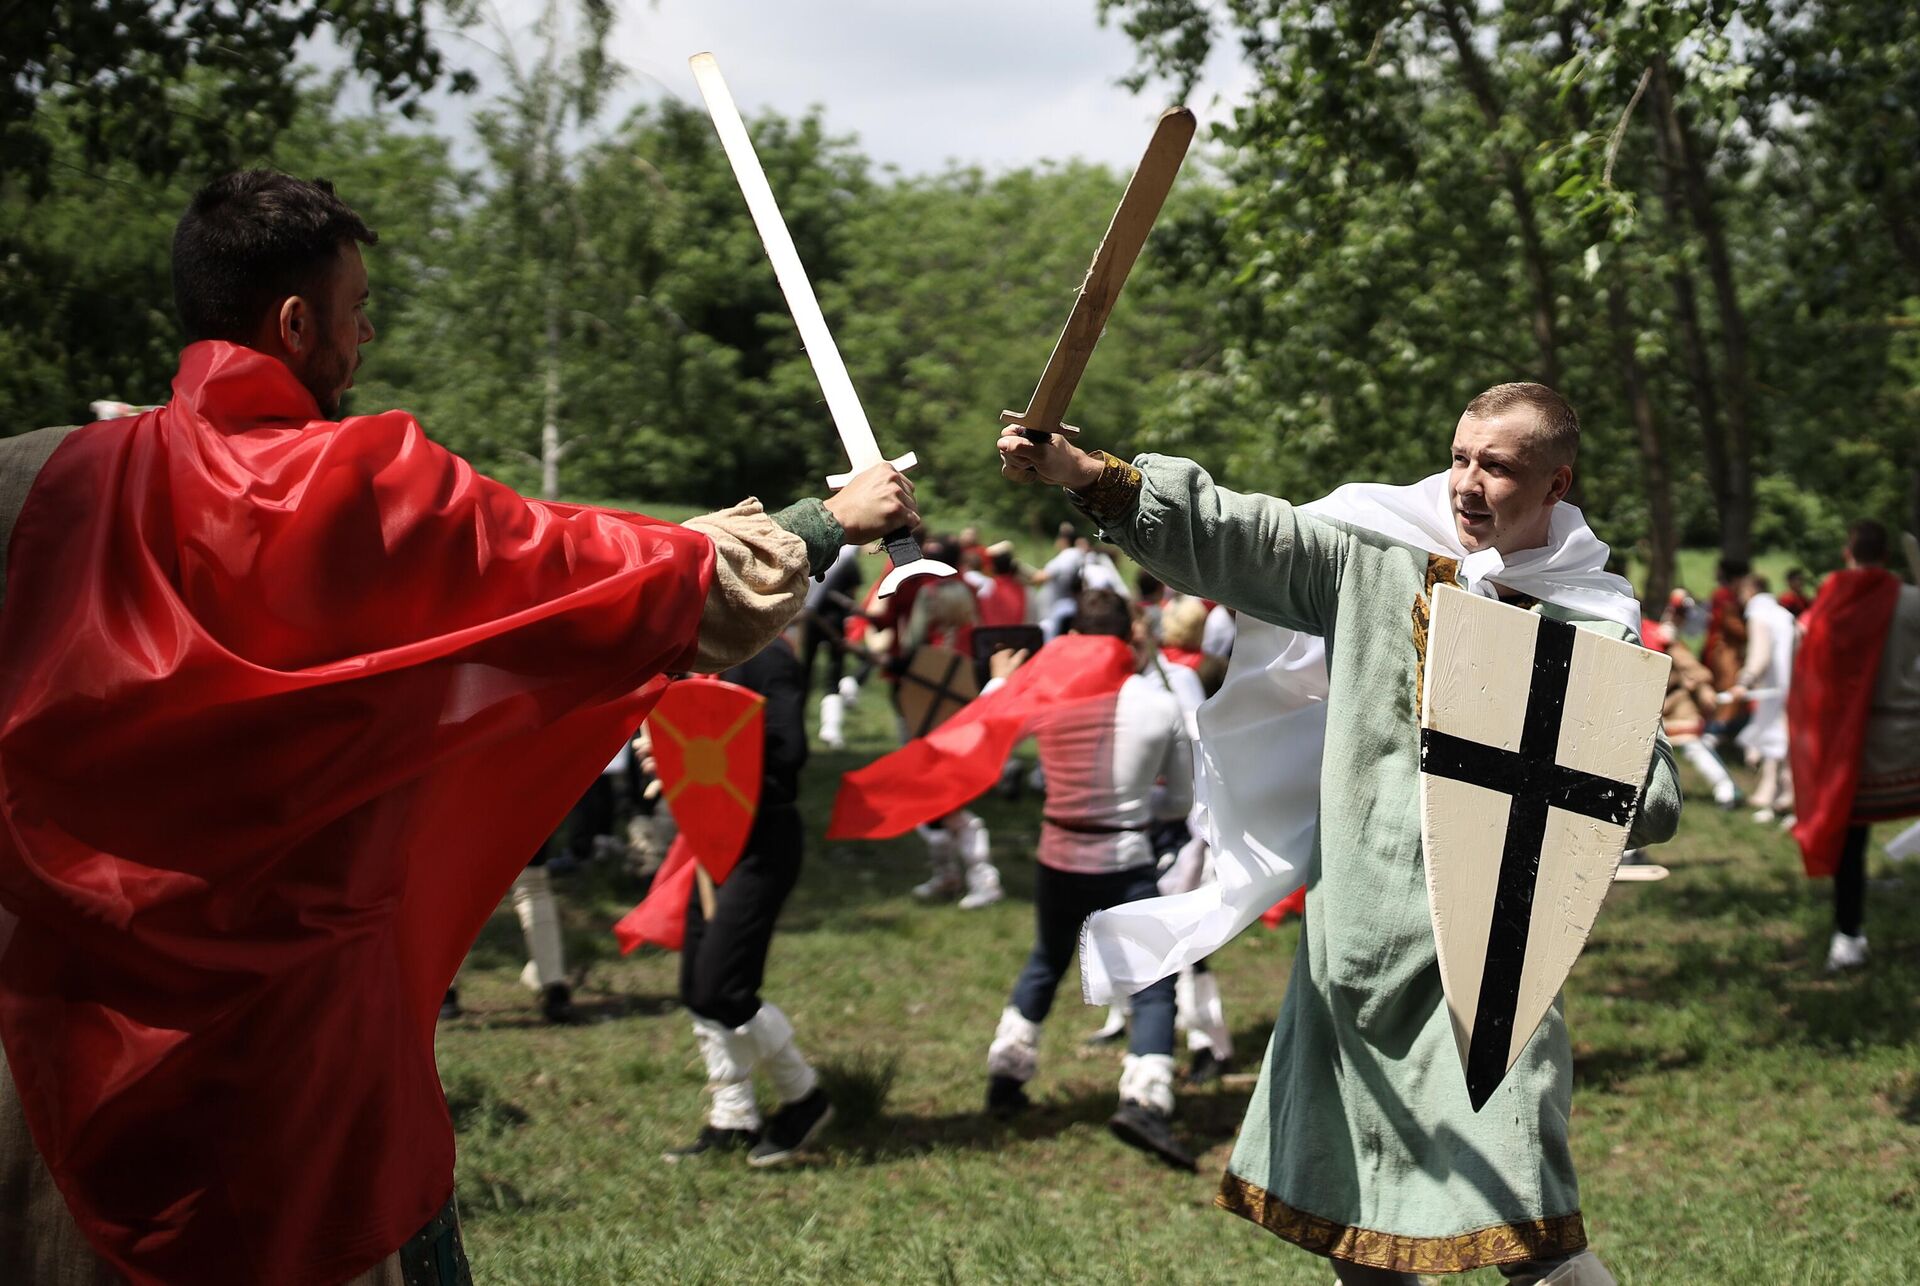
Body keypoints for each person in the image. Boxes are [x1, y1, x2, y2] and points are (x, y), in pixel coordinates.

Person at [0, 170, 917, 1286]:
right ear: (295, 324)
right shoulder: (365, 482)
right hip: (301, 1051)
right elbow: (609, 576)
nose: (367, 332)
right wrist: (826, 520)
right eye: (358, 308)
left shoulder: (35, 480)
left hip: (59, 1031)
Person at [998, 382, 1680, 1285]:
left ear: (1556, 485)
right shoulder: (1379, 559)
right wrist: (1088, 475)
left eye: (1500, 467)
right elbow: (1241, 537)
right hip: (1351, 948)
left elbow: (1656, 795)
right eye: (1461, 458)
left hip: (1486, 968)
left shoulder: (1588, 616)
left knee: (1535, 1236)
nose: (1470, 485)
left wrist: (1545, 703)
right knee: (1354, 1240)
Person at [982, 590, 1197, 1169]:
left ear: (1075, 636)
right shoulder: (1158, 704)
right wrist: (1132, 809)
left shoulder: (1049, 699)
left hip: (1057, 854)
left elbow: (987, 740)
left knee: (1046, 960)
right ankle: (1145, 1096)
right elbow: (1180, 800)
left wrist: (1001, 681)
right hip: (1124, 859)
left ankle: (1006, 1072)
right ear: (1129, 635)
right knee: (1152, 980)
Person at [659, 630, 834, 1165]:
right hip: (710, 834)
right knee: (696, 987)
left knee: (723, 990)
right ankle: (732, 1116)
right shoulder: (707, 660)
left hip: (762, 839)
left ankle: (805, 1097)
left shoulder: (768, 658)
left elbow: (789, 751)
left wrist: (711, 762)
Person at [1789, 520, 1920, 971]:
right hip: (1911, 740)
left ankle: (1848, 938)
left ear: (1849, 551)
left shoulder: (1830, 603)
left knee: (1851, 841)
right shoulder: (1910, 601)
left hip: (1853, 745)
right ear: (1885, 555)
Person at [1731, 574, 1798, 823]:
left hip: (1777, 691)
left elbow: (1760, 654)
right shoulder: (1783, 613)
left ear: (1748, 591)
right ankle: (1779, 798)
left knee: (1776, 741)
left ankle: (1781, 801)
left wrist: (1744, 681)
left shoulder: (1759, 613)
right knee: (1783, 743)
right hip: (1793, 688)